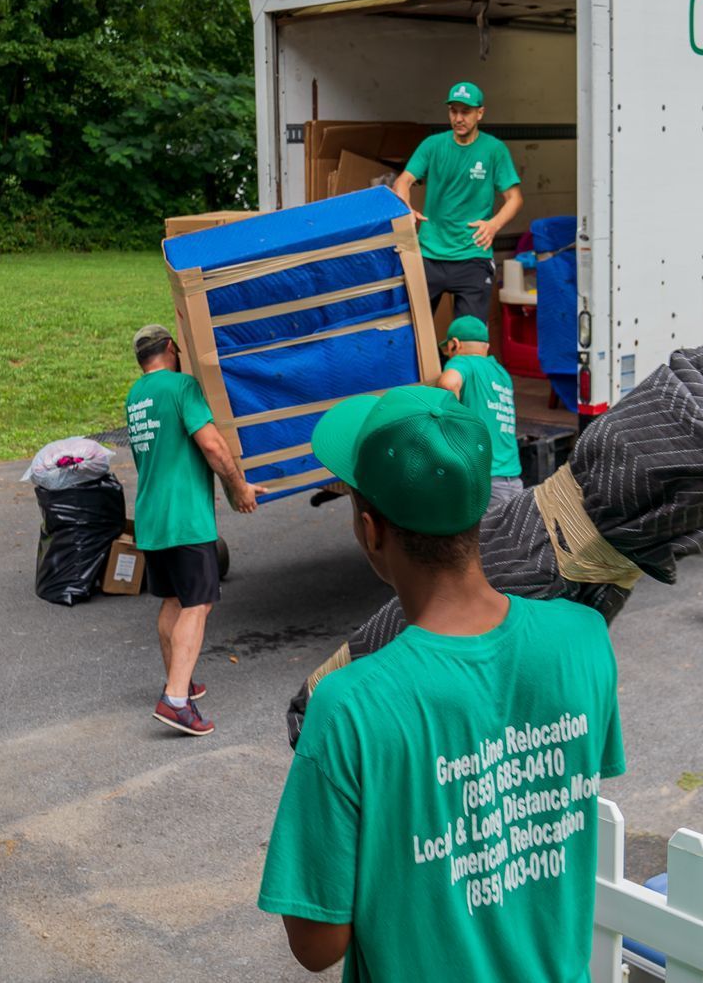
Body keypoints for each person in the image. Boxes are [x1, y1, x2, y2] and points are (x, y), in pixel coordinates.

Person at [258, 386, 624, 981]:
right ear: (482, 507)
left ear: (371, 530)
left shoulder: (348, 706)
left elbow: (317, 945)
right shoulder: (584, 640)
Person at [125, 324, 264, 737]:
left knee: (173, 599)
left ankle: (179, 681)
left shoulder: (136, 395)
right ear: (172, 348)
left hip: (152, 515)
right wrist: (238, 487)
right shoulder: (182, 387)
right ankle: (175, 701)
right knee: (198, 603)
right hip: (185, 517)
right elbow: (212, 445)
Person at [392, 82, 523, 323]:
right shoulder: (433, 145)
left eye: (466, 111)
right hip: (430, 253)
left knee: (470, 340)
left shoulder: (494, 150)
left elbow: (514, 199)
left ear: (480, 113)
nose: (458, 118)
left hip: (473, 256)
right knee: (411, 336)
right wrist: (405, 209)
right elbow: (403, 181)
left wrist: (493, 225)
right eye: (453, 111)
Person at [435, 315, 523, 511]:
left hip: (484, 481)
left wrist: (449, 432)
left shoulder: (462, 362)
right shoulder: (501, 373)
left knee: (477, 541)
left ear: (454, 345)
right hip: (513, 480)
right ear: (487, 346)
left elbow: (448, 383)